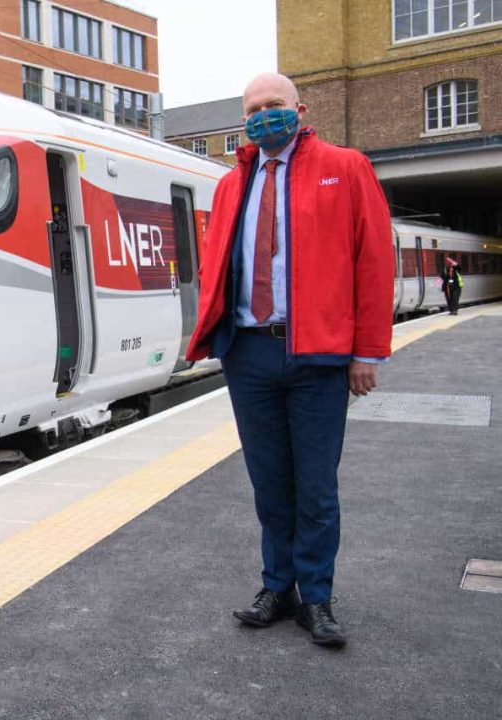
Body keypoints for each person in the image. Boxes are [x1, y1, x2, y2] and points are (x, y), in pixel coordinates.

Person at [186, 73, 394, 647]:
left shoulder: (346, 167)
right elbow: (216, 263)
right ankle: (276, 586)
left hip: (321, 356)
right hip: (249, 353)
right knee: (269, 482)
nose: (262, 117)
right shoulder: (233, 184)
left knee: (317, 485)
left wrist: (366, 351)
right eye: (252, 110)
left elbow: (373, 260)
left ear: (299, 110)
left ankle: (317, 597)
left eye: (273, 106)